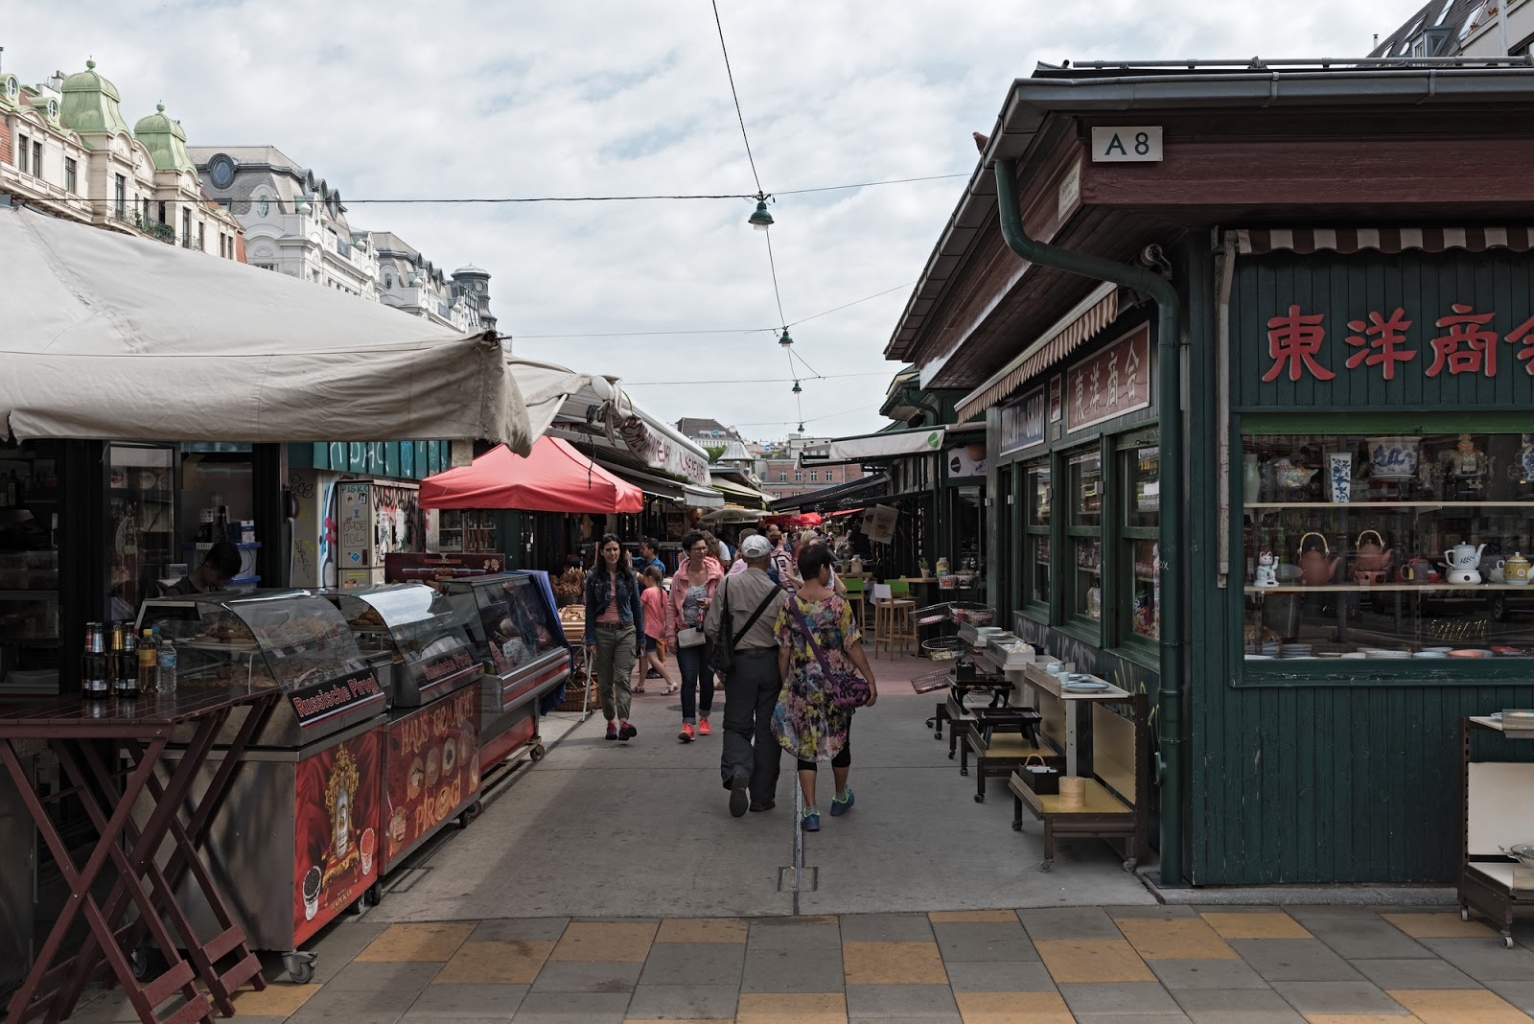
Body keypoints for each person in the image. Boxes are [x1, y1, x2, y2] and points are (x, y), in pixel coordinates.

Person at [773, 543, 877, 832]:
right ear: (822, 569)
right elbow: (853, 647)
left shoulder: (789, 604)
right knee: (839, 741)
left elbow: (783, 651)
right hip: (835, 688)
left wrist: (785, 683)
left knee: (806, 748)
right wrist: (870, 680)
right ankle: (840, 796)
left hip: (802, 687)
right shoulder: (838, 605)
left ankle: (810, 811)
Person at [704, 534, 788, 816]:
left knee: (737, 724)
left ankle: (739, 767)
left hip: (739, 665)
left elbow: (712, 627)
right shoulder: (780, 594)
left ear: (742, 557)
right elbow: (787, 640)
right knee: (767, 730)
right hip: (770, 664)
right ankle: (762, 797)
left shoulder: (728, 585)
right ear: (767, 559)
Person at [583, 534, 644, 742]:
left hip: (626, 630)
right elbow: (590, 608)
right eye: (608, 549)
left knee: (623, 678)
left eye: (615, 549)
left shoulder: (629, 575)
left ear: (621, 552)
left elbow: (636, 605)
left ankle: (624, 722)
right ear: (602, 552)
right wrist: (589, 639)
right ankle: (610, 721)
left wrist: (641, 637)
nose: (612, 553)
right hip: (602, 633)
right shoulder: (593, 577)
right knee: (606, 682)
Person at [666, 530, 722, 742]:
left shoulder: (716, 573)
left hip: (709, 633)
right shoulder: (679, 577)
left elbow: (725, 600)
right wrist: (670, 635)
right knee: (689, 678)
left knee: (707, 678)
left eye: (703, 548)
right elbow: (671, 605)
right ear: (688, 552)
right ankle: (687, 723)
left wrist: (711, 603)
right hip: (686, 632)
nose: (701, 551)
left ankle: (704, 717)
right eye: (697, 548)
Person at [158, 541, 242, 597]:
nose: (220, 583)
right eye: (219, 578)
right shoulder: (177, 594)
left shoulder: (219, 594)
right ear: (207, 566)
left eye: (225, 580)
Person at [636, 566, 671, 694]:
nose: (644, 581)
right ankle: (641, 684)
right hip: (658, 628)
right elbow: (667, 612)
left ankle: (670, 681)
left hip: (648, 629)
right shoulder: (663, 593)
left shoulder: (647, 592)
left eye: (645, 578)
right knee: (644, 656)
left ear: (650, 578)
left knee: (652, 657)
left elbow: (638, 607)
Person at [766, 526, 796, 595]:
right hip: (789, 588)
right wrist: (797, 590)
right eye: (783, 537)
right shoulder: (786, 555)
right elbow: (790, 575)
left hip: (777, 588)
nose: (785, 539)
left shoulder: (771, 555)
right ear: (779, 540)